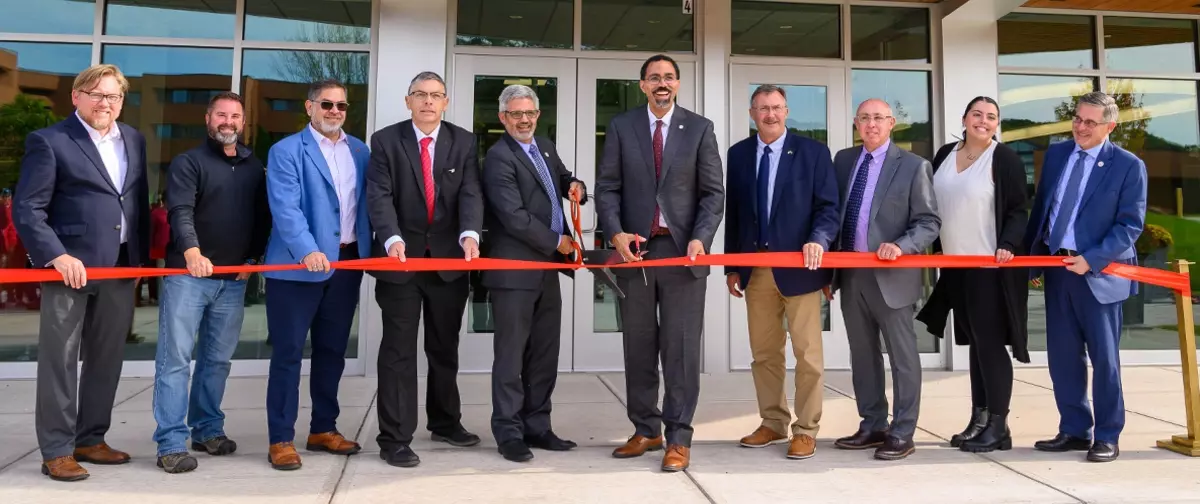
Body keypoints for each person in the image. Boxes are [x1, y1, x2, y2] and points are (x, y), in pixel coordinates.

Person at [13, 63, 150, 481]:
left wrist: (141, 260)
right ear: (76, 97)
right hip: (68, 270)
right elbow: (28, 208)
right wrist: (56, 255)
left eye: (112, 96)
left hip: (120, 267)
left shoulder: (134, 139)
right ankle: (56, 449)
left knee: (106, 359)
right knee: (61, 360)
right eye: (95, 94)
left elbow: (136, 203)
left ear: (121, 102)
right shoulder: (50, 141)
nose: (104, 103)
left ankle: (91, 438)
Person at [595, 54, 725, 472]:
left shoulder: (700, 128)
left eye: (669, 77)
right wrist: (614, 233)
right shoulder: (622, 126)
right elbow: (607, 187)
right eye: (654, 78)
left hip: (682, 252)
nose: (662, 83)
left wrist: (701, 239)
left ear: (678, 84)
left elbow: (713, 194)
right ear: (642, 85)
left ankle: (679, 437)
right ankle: (646, 429)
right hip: (635, 252)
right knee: (638, 344)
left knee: (681, 348)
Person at [365, 71, 483, 468]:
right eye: (421, 95)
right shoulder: (385, 141)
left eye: (436, 95)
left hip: (449, 262)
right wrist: (391, 238)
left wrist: (470, 234)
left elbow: (471, 192)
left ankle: (446, 422)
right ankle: (394, 438)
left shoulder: (463, 141)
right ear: (408, 101)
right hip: (401, 261)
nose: (428, 101)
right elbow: (379, 196)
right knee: (398, 351)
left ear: (446, 102)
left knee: (443, 348)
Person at [1024, 91, 1146, 463]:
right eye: (1077, 119)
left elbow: (1130, 225)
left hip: (1099, 274)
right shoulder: (1058, 154)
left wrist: (1090, 259)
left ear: (1110, 126)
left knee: (1104, 360)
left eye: (1090, 122)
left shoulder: (1127, 165)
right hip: (1058, 271)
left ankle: (1107, 435)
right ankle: (1075, 430)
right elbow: (1043, 208)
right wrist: (1034, 260)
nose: (1081, 127)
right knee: (1063, 358)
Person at [152, 91, 270, 473]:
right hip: (188, 277)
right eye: (221, 114)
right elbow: (180, 211)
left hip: (233, 281)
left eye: (235, 116)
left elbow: (261, 219)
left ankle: (207, 430)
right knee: (175, 361)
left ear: (243, 122)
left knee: (217, 361)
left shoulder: (255, 166)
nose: (228, 122)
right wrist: (192, 252)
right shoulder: (189, 163)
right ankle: (170, 442)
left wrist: (252, 261)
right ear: (208, 119)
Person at [723, 84, 839, 460]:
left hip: (801, 268)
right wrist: (731, 266)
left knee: (808, 355)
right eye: (762, 108)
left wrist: (820, 240)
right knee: (764, 353)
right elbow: (736, 215)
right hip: (755, 270)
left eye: (776, 108)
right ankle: (772, 422)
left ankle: (806, 429)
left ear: (786, 111)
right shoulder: (738, 155)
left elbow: (828, 208)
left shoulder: (813, 153)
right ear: (752, 113)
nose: (769, 114)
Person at [262, 79, 372, 470]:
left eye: (341, 106)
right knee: (289, 355)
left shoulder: (360, 150)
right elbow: (285, 208)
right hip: (296, 270)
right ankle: (280, 438)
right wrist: (307, 250)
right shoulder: (286, 151)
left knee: (332, 353)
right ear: (309, 107)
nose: (334, 112)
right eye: (326, 104)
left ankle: (323, 428)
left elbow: (367, 206)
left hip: (345, 267)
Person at [915, 96, 1031, 453]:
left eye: (991, 117)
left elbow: (1018, 209)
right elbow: (932, 204)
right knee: (976, 345)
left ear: (997, 124)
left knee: (991, 345)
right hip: (954, 267)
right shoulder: (946, 154)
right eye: (977, 114)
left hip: (990, 267)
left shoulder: (1004, 159)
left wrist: (1009, 243)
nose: (983, 121)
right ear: (964, 118)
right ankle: (979, 420)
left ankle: (1000, 426)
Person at [481, 85, 587, 462]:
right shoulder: (498, 157)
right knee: (511, 356)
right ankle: (508, 431)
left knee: (544, 352)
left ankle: (537, 426)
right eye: (515, 114)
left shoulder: (543, 145)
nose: (523, 120)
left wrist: (576, 186)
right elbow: (513, 216)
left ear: (537, 115)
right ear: (503, 118)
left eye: (529, 113)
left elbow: (561, 179)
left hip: (546, 271)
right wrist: (558, 243)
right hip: (514, 271)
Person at [831, 98, 940, 461]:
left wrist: (902, 245)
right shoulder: (844, 161)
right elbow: (834, 214)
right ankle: (872, 425)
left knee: (903, 357)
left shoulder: (913, 166)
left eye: (878, 118)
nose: (871, 124)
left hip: (892, 276)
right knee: (863, 356)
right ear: (856, 124)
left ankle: (903, 430)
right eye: (864, 118)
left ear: (893, 123)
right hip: (850, 275)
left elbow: (928, 222)